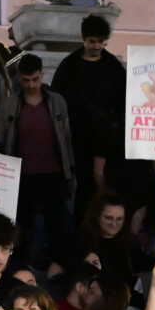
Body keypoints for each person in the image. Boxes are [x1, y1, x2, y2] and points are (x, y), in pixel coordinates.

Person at [0, 54, 76, 270]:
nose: (31, 85)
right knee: (23, 225)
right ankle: (22, 267)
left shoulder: (56, 102)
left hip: (54, 173)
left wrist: (70, 172)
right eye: (27, 80)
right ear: (20, 78)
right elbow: (2, 137)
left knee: (58, 225)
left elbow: (67, 139)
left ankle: (57, 266)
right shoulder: (11, 104)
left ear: (41, 76)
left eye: (35, 79)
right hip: (22, 175)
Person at [47, 15, 126, 207]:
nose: (97, 46)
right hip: (75, 140)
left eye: (101, 42)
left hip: (107, 142)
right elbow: (57, 101)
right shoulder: (69, 66)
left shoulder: (114, 68)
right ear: (84, 39)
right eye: (92, 41)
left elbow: (123, 103)